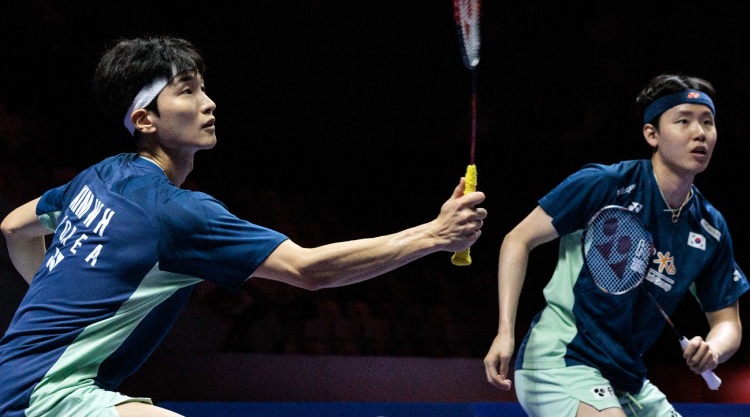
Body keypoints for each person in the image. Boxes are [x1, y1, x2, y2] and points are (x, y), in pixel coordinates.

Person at [0, 35, 488, 417]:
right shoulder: (176, 213)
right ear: (145, 119)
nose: (209, 102)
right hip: (50, 395)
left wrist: (54, 301)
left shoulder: (99, 176)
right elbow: (309, 270)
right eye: (187, 91)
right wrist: (434, 235)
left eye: (203, 87)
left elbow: (13, 227)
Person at [483, 73, 749, 416]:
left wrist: (713, 349)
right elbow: (517, 240)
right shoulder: (605, 184)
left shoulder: (710, 227)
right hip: (561, 359)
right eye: (683, 121)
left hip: (625, 376)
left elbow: (728, 322)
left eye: (707, 122)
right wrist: (505, 332)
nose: (699, 132)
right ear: (652, 134)